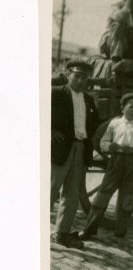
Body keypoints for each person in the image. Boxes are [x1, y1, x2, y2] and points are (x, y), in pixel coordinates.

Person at [79, 93, 133, 240]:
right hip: (115, 161)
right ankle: (90, 229)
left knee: (127, 197)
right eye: (130, 107)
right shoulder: (114, 124)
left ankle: (120, 231)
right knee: (103, 194)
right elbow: (103, 142)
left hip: (132, 163)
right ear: (123, 107)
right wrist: (110, 147)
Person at [51, 60, 99, 248]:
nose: (80, 81)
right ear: (68, 74)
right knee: (50, 190)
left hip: (80, 149)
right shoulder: (56, 93)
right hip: (61, 147)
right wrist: (50, 130)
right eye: (76, 76)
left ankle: (61, 233)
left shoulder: (88, 100)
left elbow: (93, 125)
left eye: (84, 77)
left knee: (71, 194)